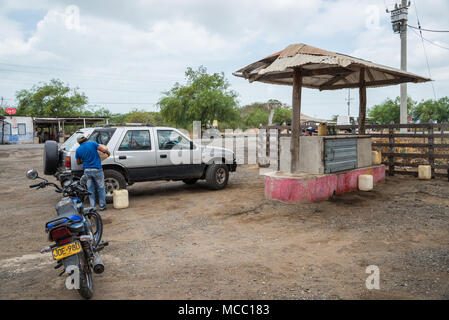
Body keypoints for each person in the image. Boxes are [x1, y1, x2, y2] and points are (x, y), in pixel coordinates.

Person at [75, 135, 110, 211]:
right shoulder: (93, 144)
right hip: (97, 169)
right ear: (86, 139)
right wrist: (108, 152)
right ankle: (102, 206)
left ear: (79, 143)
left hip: (87, 171)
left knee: (90, 190)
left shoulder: (78, 150)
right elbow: (103, 150)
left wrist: (84, 159)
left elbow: (78, 162)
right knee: (101, 188)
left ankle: (93, 207)